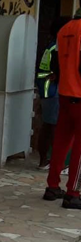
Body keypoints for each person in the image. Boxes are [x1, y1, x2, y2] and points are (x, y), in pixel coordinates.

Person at [45, 3, 81, 210]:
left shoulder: (65, 29)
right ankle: (73, 193)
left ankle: (52, 187)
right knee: (79, 147)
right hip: (79, 94)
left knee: (61, 142)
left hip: (65, 93)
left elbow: (55, 63)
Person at [37, 17, 72, 169]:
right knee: (53, 127)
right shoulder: (55, 47)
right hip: (52, 90)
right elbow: (51, 71)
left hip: (47, 91)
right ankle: (53, 162)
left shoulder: (50, 46)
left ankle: (45, 160)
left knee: (48, 125)